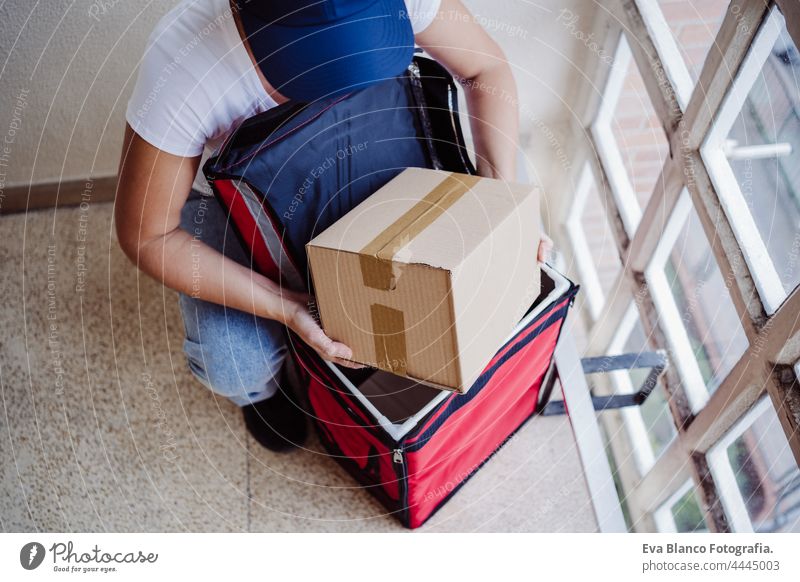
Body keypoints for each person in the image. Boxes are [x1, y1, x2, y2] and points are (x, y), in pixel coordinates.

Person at [116, 0, 551, 452]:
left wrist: (501, 202)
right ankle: (262, 393)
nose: (341, 71)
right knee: (233, 360)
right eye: (315, 54)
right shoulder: (186, 63)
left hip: (379, 161)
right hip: (244, 201)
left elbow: (486, 71)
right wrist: (287, 307)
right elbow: (148, 235)